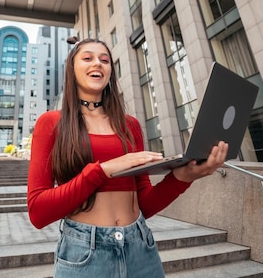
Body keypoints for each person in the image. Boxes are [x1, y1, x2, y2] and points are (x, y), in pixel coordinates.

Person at [27, 37, 228, 277]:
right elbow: (38, 212)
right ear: (72, 69)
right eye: (88, 58)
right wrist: (103, 170)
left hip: (140, 245)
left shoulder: (129, 125)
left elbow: (145, 204)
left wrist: (183, 177)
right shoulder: (51, 122)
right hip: (85, 252)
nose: (98, 64)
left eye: (105, 60)